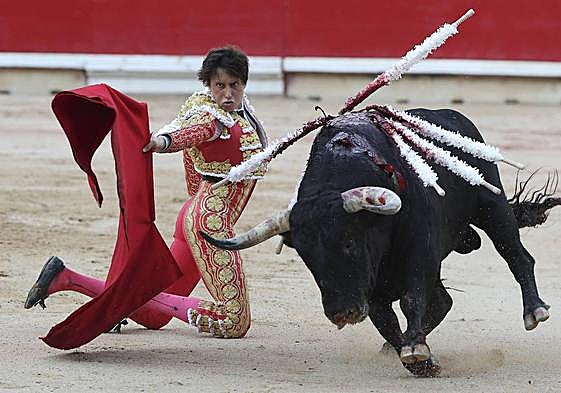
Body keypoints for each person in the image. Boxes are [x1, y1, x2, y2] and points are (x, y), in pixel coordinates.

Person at [25, 45, 268, 339]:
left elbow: (195, 159)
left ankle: (66, 279)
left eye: (234, 85)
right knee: (234, 322)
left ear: (244, 83)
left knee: (152, 315)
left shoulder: (241, 109)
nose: (228, 93)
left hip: (197, 215)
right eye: (220, 86)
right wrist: (163, 141)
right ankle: (107, 298)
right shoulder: (210, 117)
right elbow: (187, 133)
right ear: (208, 85)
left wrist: (193, 203)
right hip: (208, 223)